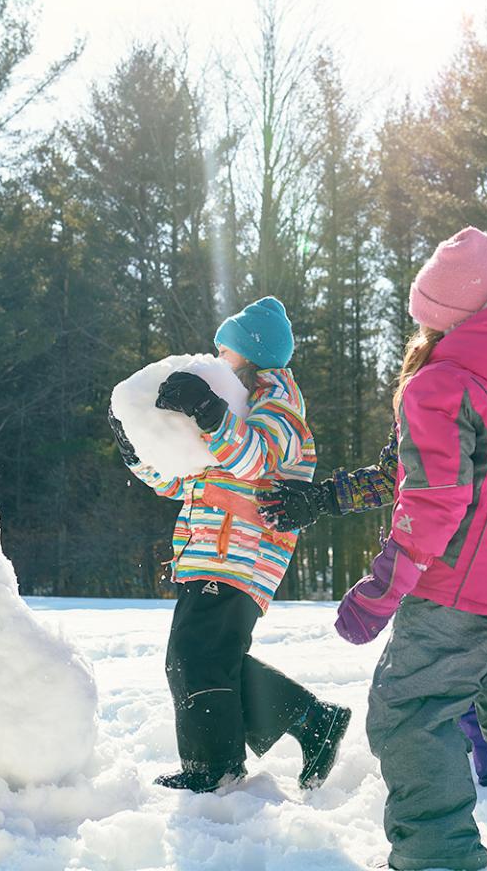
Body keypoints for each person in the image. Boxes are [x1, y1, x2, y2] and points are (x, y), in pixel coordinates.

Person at [335, 227, 487, 871]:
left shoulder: (441, 384)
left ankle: (437, 855)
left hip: (450, 589)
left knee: (411, 712)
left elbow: (434, 499)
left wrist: (383, 586)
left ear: (440, 317)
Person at [109, 296, 350, 793]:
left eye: (225, 353)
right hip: (210, 552)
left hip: (244, 555)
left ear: (252, 354)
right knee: (208, 658)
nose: (217, 361)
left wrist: (209, 412)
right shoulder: (235, 411)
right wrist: (138, 453)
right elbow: (185, 483)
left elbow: (257, 460)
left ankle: (213, 769)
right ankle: (311, 721)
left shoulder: (280, 405)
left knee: (194, 657)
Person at [260, 424, 487, 788]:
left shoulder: (434, 384)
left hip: (448, 562)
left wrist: (391, 576)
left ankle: (449, 796)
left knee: (417, 688)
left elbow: (421, 480)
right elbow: (397, 472)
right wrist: (324, 498)